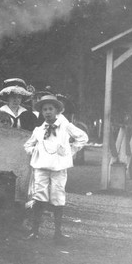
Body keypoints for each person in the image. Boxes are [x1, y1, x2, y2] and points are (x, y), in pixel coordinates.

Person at [23, 95, 88, 245]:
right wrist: (35, 151)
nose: (47, 112)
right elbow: (27, 145)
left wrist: (70, 151)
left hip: (58, 167)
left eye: (50, 109)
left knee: (58, 196)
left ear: (57, 110)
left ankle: (57, 233)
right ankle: (35, 231)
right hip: (41, 167)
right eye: (44, 109)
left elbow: (82, 137)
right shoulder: (39, 130)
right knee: (39, 197)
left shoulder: (65, 126)